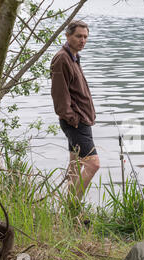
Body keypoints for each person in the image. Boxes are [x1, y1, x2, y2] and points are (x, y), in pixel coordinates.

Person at [50, 20, 100, 201]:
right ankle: (73, 205)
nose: (83, 40)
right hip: (76, 122)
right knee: (93, 164)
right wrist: (73, 119)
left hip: (82, 119)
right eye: (79, 36)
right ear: (68, 36)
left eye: (85, 37)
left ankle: (69, 216)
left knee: (75, 165)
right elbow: (59, 95)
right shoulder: (62, 58)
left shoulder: (74, 56)